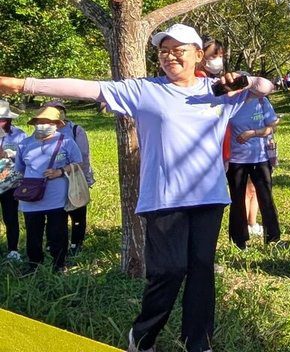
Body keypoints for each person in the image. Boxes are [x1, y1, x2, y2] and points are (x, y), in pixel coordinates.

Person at [0, 22, 274, 352]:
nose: (170, 56)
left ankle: (198, 343)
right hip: (163, 198)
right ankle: (143, 337)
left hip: (209, 197)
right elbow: (87, 88)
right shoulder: (146, 90)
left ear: (198, 55)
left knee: (201, 270)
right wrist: (21, 84)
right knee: (169, 271)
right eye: (163, 51)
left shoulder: (218, 92)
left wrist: (240, 78)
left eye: (179, 50)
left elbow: (265, 86)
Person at [14, 105, 84, 271]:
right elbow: (20, 168)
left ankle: (59, 264)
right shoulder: (25, 144)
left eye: (48, 122)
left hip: (56, 198)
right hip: (31, 198)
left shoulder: (66, 142)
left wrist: (60, 171)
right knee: (33, 234)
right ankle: (34, 264)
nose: (43, 125)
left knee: (57, 233)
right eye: (40, 121)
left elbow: (77, 162)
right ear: (34, 123)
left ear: (57, 124)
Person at [226, 93, 281, 249]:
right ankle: (239, 241)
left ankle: (273, 239)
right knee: (237, 200)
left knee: (266, 199)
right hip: (236, 161)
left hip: (261, 158)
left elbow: (273, 126)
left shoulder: (262, 101)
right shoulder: (230, 103)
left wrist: (254, 133)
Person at [40, 100, 94, 257]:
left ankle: (76, 244)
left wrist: (83, 179)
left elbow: (83, 156)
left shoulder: (76, 130)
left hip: (73, 178)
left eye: (60, 109)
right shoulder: (43, 131)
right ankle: (53, 244)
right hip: (51, 181)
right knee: (55, 215)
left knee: (77, 212)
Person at [0, 100, 26, 261]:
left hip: (10, 183)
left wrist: (10, 154)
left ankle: (13, 249)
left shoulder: (19, 135)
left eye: (3, 119)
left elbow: (27, 157)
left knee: (10, 217)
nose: (0, 122)